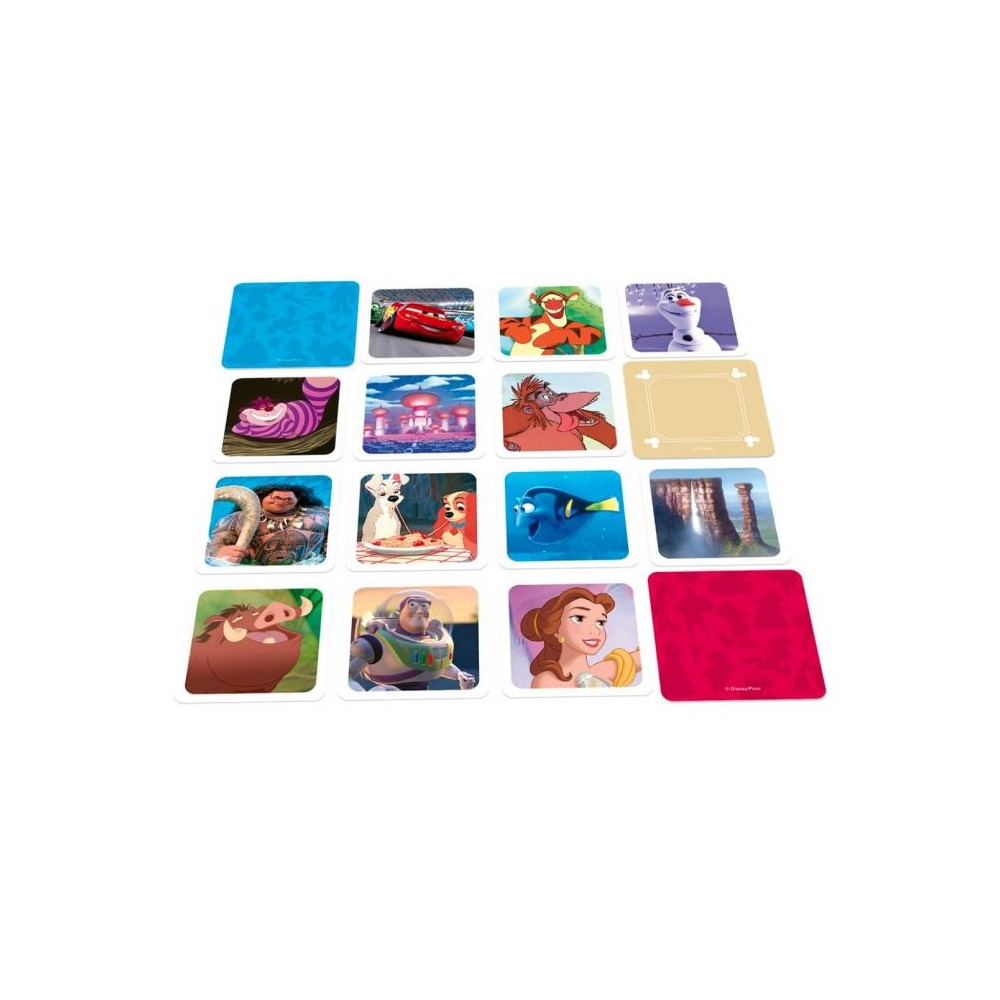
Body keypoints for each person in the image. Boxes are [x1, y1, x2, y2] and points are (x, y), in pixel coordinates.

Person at [349, 591, 476, 691]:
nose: (420, 611)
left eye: (424, 606)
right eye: (413, 605)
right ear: (401, 613)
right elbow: (347, 677)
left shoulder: (431, 640)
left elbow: (438, 665)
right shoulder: (379, 641)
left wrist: (459, 676)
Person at [519, 587, 640, 689]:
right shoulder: (546, 682)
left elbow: (645, 656)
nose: (596, 630)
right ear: (556, 630)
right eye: (579, 618)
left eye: (600, 622)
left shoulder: (604, 670)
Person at [207, 484, 329, 566]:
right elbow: (213, 549)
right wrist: (220, 553)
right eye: (272, 492)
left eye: (288, 493)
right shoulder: (235, 519)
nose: (281, 496)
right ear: (260, 495)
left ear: (299, 496)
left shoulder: (324, 514)